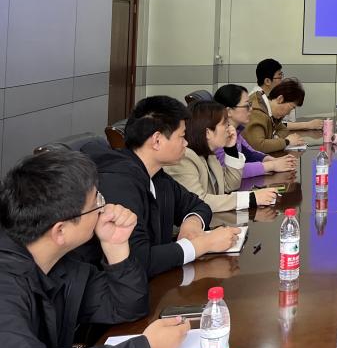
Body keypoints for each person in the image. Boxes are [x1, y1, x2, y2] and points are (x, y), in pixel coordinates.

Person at [0, 149, 188, 348]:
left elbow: (126, 306)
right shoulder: (6, 285)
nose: (105, 208)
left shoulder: (61, 263)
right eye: (96, 203)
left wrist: (115, 245)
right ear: (60, 231)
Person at [82, 96, 239, 277]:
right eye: (182, 136)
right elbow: (136, 260)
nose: (186, 143)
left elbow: (197, 205)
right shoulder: (119, 183)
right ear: (157, 141)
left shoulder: (156, 175)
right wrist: (203, 244)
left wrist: (192, 224)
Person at [165, 101, 279, 212]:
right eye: (225, 124)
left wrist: (231, 149)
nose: (230, 129)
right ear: (208, 133)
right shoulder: (184, 158)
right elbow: (198, 201)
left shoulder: (209, 155)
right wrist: (251, 198)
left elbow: (231, 184)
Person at [213, 84, 297, 178]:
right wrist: (271, 165)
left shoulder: (235, 130)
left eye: (250, 104)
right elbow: (229, 172)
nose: (251, 109)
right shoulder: (216, 136)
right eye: (246, 106)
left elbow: (249, 153)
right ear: (228, 111)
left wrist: (270, 160)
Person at [251, 60, 322, 133]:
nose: (282, 80)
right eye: (279, 77)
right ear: (267, 81)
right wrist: (307, 125)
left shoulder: (271, 96)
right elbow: (277, 125)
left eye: (282, 75)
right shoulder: (257, 100)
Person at [244, 79, 307, 154]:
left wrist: (275, 139)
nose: (288, 113)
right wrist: (287, 141)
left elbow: (283, 129)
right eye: (291, 107)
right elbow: (258, 146)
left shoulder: (271, 113)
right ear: (280, 99)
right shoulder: (256, 113)